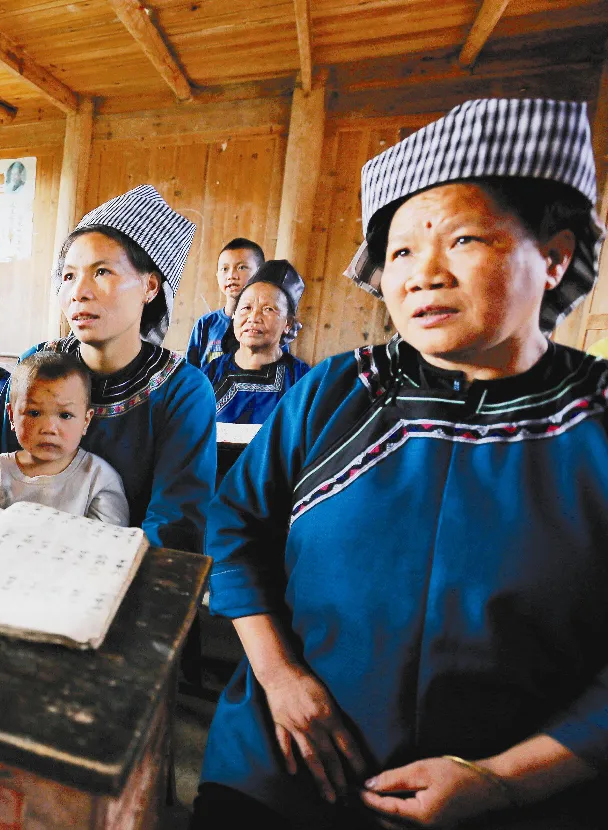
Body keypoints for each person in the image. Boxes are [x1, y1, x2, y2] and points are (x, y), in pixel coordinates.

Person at [195, 98, 608, 830]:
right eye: (401, 253)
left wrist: (505, 781)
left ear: (555, 257)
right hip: (285, 756)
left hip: (520, 795)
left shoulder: (593, 422)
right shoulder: (338, 392)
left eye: (465, 239)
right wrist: (280, 676)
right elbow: (233, 524)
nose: (423, 275)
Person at [0, 184, 217, 552]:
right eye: (69, 276)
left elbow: (173, 526)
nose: (78, 291)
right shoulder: (36, 365)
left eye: (102, 272)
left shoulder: (182, 391)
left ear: (150, 286)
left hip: (122, 578)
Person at [0, 351, 128, 524]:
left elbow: (110, 542)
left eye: (65, 415)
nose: (49, 428)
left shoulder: (98, 479)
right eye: (34, 413)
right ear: (11, 416)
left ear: (86, 421)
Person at [205, 260, 311, 424]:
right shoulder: (208, 377)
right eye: (246, 308)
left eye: (268, 309)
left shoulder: (304, 382)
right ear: (234, 315)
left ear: (288, 323)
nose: (253, 317)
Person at [185, 238, 265, 371]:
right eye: (224, 269)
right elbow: (191, 374)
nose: (231, 275)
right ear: (217, 275)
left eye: (241, 267)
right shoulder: (205, 324)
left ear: (260, 272)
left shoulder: (268, 325)